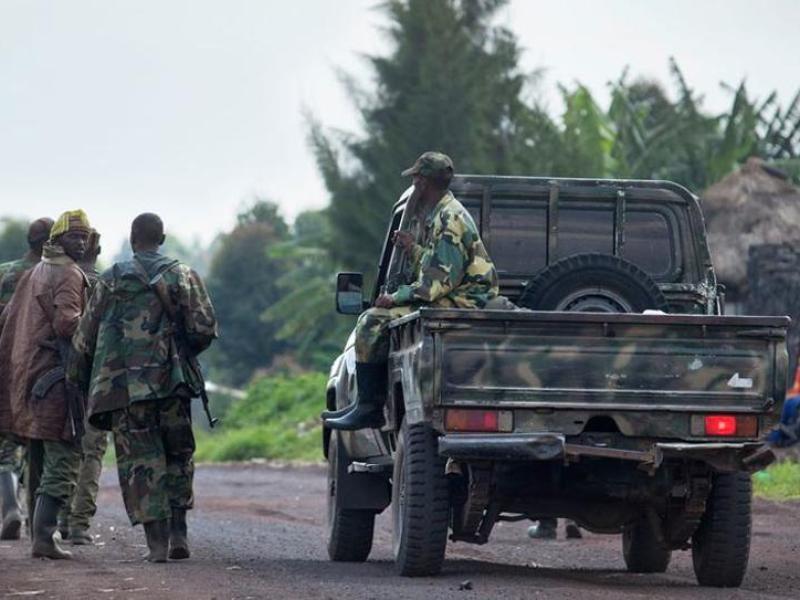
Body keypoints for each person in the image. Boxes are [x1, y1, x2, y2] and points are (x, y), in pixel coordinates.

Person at [69, 213, 217, 562]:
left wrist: (77, 380)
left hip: (124, 390)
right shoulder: (183, 274)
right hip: (172, 384)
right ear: (161, 238)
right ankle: (179, 531)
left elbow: (84, 338)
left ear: (133, 240)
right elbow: (205, 328)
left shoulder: (110, 280)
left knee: (139, 462)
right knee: (177, 455)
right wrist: (180, 352)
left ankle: (156, 544)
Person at [324, 151, 499, 430]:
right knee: (378, 316)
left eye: (417, 178)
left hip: (465, 301)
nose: (415, 182)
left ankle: (369, 408)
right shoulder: (445, 212)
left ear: (424, 182)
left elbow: (434, 286)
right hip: (460, 295)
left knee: (372, 320)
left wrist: (394, 296)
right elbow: (441, 264)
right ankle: (365, 405)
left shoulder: (449, 219)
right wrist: (413, 249)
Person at [0, 210, 91, 559]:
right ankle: (44, 537)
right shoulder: (67, 273)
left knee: (38, 454)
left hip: (30, 377)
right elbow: (69, 324)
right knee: (64, 456)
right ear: (56, 239)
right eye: (74, 236)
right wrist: (96, 327)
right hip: (56, 380)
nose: (81, 242)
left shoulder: (38, 270)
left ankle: (40, 537)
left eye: (84, 236)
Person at [0, 217, 54, 540]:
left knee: (5, 444)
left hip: (5, 367)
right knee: (40, 444)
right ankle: (40, 523)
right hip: (41, 370)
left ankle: (10, 508)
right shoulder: (57, 276)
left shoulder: (6, 272)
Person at [57, 229, 109, 545]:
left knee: (64, 450)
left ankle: (59, 516)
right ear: (99, 250)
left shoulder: (60, 281)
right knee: (92, 452)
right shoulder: (106, 286)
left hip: (60, 380)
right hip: (97, 382)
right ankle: (78, 525)